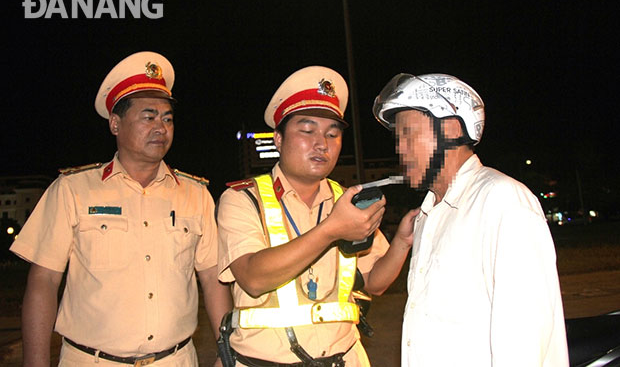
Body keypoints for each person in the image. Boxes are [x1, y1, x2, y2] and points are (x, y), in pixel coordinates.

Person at [10, 51, 232, 367]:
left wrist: (227, 354)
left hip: (176, 360)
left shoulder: (196, 195)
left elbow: (212, 279)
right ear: (115, 123)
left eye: (167, 118)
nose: (161, 127)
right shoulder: (73, 190)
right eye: (148, 116)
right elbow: (43, 281)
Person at [216, 66, 414, 366]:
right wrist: (331, 230)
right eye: (307, 131)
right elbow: (253, 278)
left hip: (345, 358)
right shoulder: (242, 199)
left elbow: (374, 282)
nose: (322, 143)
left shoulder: (347, 200)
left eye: (332, 134)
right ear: (278, 139)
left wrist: (401, 241)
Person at [372, 73, 569, 366]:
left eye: (408, 133)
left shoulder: (502, 200)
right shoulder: (427, 216)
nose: (400, 148)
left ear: (451, 129)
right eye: (397, 138)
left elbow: (524, 339)